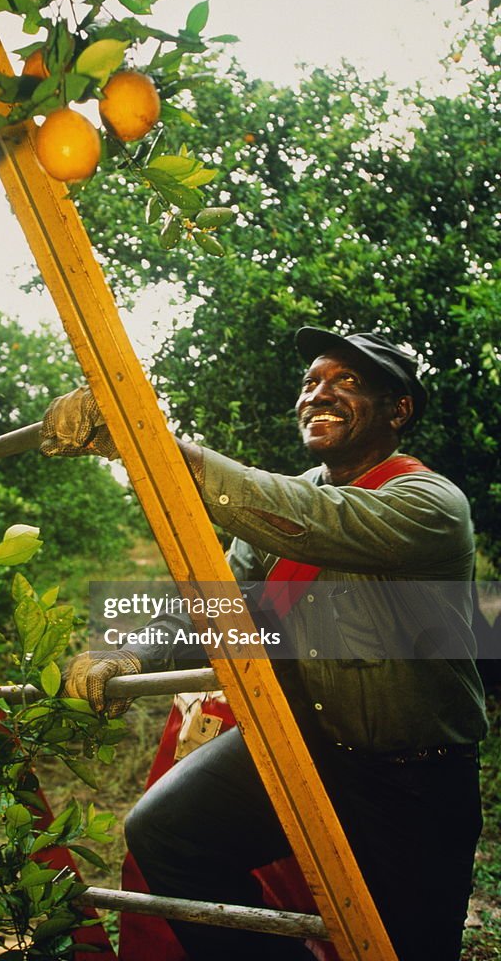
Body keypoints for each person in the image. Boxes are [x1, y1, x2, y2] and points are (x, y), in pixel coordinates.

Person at [39, 327, 488, 961]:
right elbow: (223, 603)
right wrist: (133, 652)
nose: (319, 395)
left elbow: (314, 522)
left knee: (407, 946)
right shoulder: (287, 501)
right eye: (310, 383)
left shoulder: (429, 503)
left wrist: (145, 444)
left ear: (399, 409)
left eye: (347, 383)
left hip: (413, 773)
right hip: (305, 743)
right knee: (166, 833)